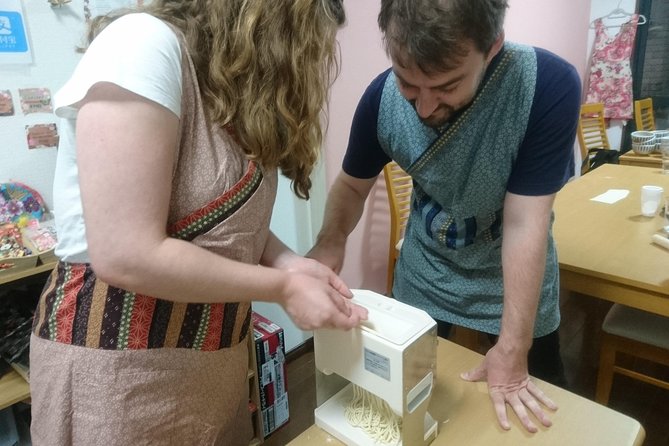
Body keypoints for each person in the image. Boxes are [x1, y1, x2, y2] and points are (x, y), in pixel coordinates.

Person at [28, 1, 367, 445]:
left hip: (211, 367)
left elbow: (227, 224)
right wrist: (280, 288)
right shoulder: (141, 46)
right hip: (116, 373)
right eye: (304, 43)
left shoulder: (225, 91)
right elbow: (126, 253)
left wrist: (287, 264)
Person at [308, 0, 581, 434]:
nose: (424, 107)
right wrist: (329, 243)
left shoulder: (544, 87)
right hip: (426, 274)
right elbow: (352, 186)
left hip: (511, 282)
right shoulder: (381, 101)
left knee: (531, 412)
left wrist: (513, 347)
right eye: (408, 84)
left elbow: (524, 223)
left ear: (492, 49)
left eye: (447, 86)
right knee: (412, 407)